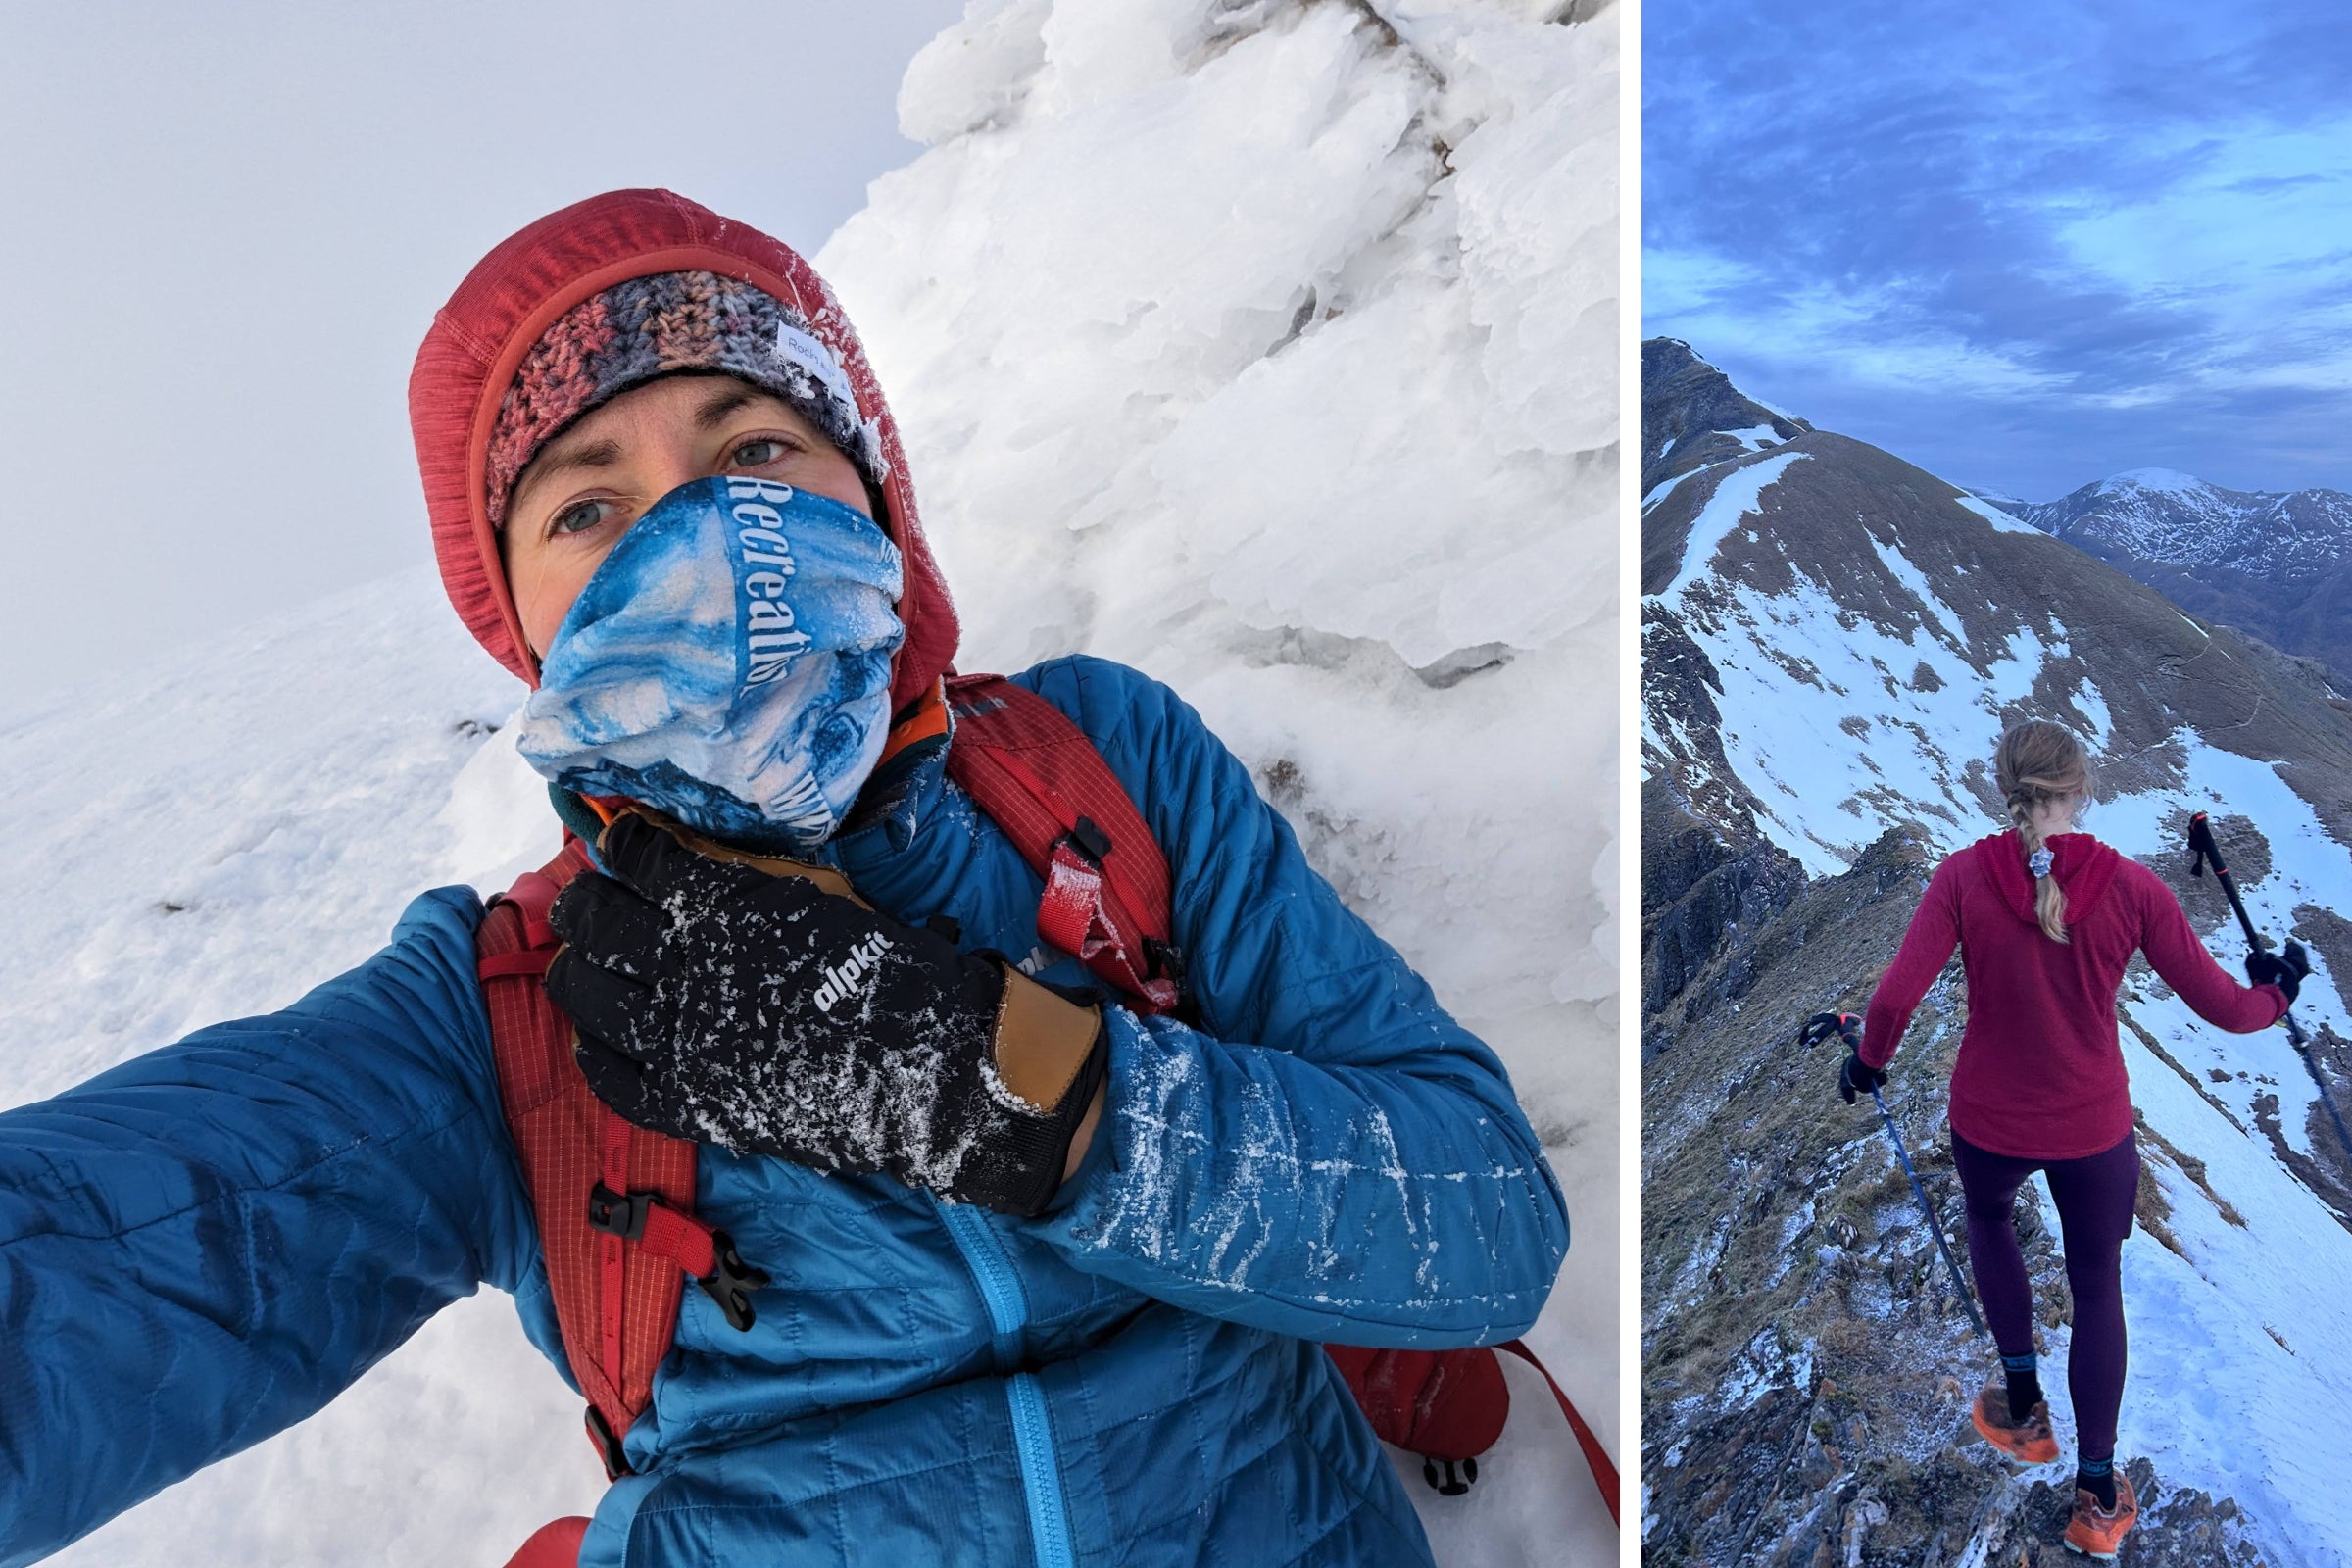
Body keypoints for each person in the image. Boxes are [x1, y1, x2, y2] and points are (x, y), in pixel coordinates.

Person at [0, 189, 1570, 1567]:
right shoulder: (501, 1017)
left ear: (879, 506)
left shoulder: (1100, 775)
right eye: (592, 506)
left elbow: (1487, 1220)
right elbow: (108, 1265)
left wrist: (1012, 1094)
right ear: (526, 627)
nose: (703, 528)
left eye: (758, 447)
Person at [1835, 719, 2300, 1562]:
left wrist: (1868, 1065)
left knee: (1989, 1224)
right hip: (2093, 1126)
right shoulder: (2130, 890)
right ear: (2080, 790)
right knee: (2097, 1289)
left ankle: (2021, 1406)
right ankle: (2095, 1494)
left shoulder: (1964, 878)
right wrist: (2279, 992)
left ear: (2005, 788)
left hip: (1989, 1116)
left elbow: (1897, 999)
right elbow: (2232, 1012)